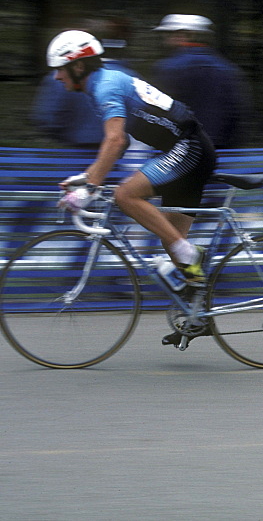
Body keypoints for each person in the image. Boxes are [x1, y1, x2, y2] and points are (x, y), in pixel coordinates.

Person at [46, 30, 216, 314]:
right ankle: (199, 317)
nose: (56, 77)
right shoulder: (102, 84)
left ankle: (190, 255)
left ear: (77, 66)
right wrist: (86, 179)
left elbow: (115, 141)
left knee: (127, 196)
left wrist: (89, 187)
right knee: (173, 246)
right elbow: (116, 144)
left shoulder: (104, 86)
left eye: (59, 70)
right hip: (188, 148)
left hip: (190, 148)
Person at [31, 17, 138, 149]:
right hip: (118, 155)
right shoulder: (129, 76)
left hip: (75, 152)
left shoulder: (59, 77)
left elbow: (48, 120)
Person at [151, 14, 250, 149]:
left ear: (183, 36)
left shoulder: (169, 68)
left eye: (167, 35)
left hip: (179, 150)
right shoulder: (227, 68)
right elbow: (236, 113)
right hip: (218, 150)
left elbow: (158, 111)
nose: (164, 40)